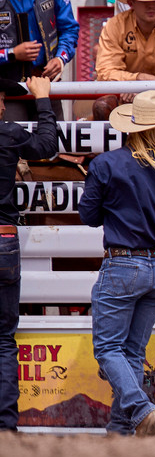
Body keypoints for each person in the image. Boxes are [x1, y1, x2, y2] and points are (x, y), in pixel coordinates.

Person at [79, 90, 155, 436]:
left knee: (107, 348)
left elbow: (88, 215)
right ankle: (121, 430)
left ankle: (141, 408)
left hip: (122, 263)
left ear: (131, 127)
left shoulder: (106, 164)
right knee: (132, 350)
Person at [0, 76, 57, 433]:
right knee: (4, 338)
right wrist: (43, 100)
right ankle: (5, 427)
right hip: (3, 238)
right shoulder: (7, 133)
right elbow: (47, 146)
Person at [0, 0, 77, 121]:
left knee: (55, 145)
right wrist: (11, 54)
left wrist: (60, 59)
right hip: (7, 89)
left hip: (46, 84)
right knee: (15, 145)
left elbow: (70, 30)